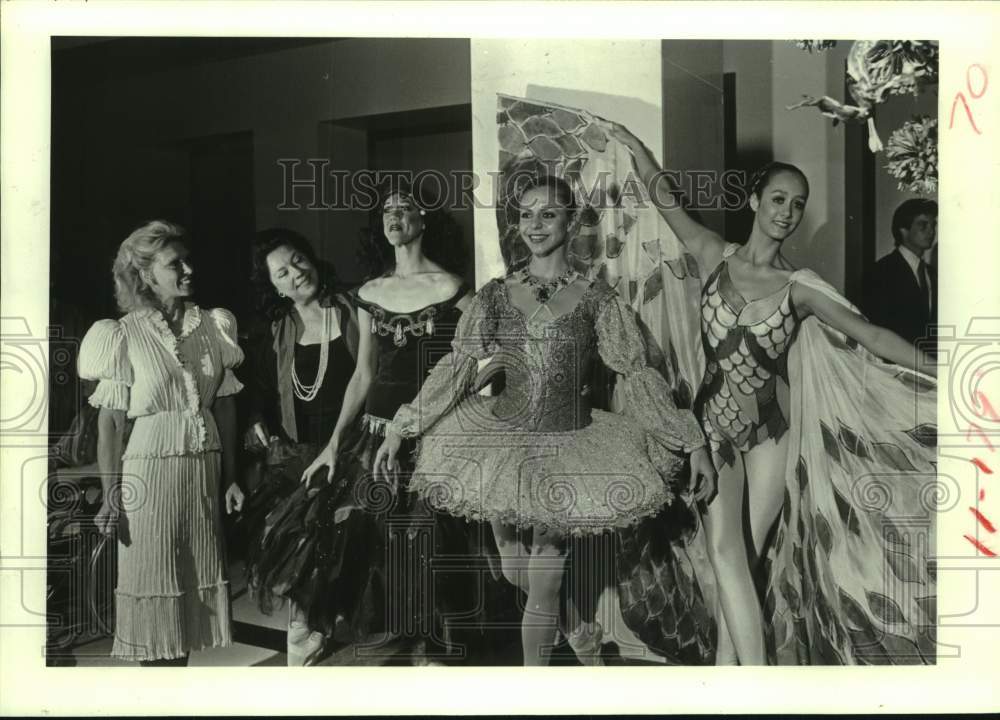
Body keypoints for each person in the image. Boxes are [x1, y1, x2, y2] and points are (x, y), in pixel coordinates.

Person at [595, 117, 938, 666]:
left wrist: (946, 374)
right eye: (778, 198)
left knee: (742, 561)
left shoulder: (802, 287)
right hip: (714, 430)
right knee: (725, 552)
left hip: (773, 435)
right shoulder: (713, 253)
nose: (787, 211)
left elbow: (872, 335)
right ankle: (749, 684)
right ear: (756, 199)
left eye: (798, 204)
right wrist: (635, 146)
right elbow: (666, 201)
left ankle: (732, 681)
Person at [375, 175, 717, 667]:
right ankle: (580, 630)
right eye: (527, 214)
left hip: (570, 445)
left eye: (549, 214)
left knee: (544, 583)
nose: (535, 225)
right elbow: (458, 366)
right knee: (516, 570)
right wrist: (402, 424)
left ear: (571, 222)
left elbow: (637, 375)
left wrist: (691, 442)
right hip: (501, 445)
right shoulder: (494, 295)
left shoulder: (598, 299)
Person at [248, 181, 485, 666]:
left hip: (432, 437)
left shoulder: (459, 292)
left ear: (426, 219)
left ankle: (430, 659)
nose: (393, 216)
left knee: (428, 551)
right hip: (371, 436)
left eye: (405, 207)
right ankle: (364, 656)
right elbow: (365, 373)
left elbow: (468, 370)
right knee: (361, 549)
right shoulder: (368, 293)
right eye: (386, 211)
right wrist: (335, 442)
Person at [78, 220, 245, 665]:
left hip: (202, 469)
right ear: (148, 276)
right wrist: (111, 494)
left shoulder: (214, 325)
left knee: (190, 597)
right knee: (153, 587)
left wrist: (231, 476)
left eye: (188, 259)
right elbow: (111, 424)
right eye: (176, 264)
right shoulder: (121, 334)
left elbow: (226, 405)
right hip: (148, 474)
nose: (189, 269)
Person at [241, 228, 359, 666]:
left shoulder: (352, 309)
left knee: (345, 540)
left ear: (312, 258)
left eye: (298, 260)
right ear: (273, 285)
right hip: (299, 451)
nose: (295, 273)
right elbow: (261, 390)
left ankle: (335, 626)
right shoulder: (277, 330)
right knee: (295, 538)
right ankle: (304, 630)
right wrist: (255, 419)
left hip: (353, 446)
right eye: (282, 272)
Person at [862, 198, 938, 347]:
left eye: (933, 225)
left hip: (927, 364)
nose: (931, 231)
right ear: (903, 230)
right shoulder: (881, 272)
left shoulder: (931, 273)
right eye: (923, 225)